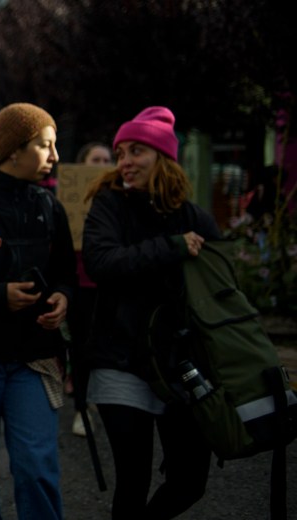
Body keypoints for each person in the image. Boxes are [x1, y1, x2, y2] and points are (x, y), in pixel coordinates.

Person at [82, 106, 220, 520]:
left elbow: (220, 289)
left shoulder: (195, 218)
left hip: (181, 365)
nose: (125, 161)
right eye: (121, 152)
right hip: (120, 360)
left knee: (190, 480)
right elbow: (101, 263)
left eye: (136, 151)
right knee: (134, 479)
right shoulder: (109, 205)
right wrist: (172, 247)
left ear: (164, 157)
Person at [0, 103, 77, 520]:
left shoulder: (50, 206)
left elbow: (66, 273)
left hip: (34, 360)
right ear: (13, 150)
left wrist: (62, 297)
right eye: (45, 145)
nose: (55, 156)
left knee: (37, 469)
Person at [67, 141, 114, 437]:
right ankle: (82, 408)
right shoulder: (70, 196)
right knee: (82, 347)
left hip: (110, 284)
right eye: (96, 160)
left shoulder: (118, 196)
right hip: (81, 285)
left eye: (107, 160)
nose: (102, 165)